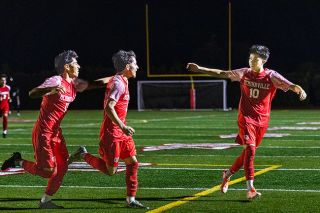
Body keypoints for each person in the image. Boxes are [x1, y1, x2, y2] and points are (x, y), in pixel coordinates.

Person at [187, 45, 307, 200]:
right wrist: (200, 69)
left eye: (255, 59)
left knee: (247, 153)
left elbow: (290, 85)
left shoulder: (271, 76)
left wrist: (300, 90)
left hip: (262, 121)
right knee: (250, 151)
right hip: (246, 119)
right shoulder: (244, 73)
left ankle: (227, 174)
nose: (251, 61)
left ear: (263, 60)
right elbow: (222, 73)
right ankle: (250, 189)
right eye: (250, 58)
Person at [1, 50, 111, 209]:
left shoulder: (73, 83)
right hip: (43, 132)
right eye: (75, 63)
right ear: (67, 67)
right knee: (48, 172)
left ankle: (45, 201)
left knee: (63, 166)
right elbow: (32, 93)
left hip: (56, 133)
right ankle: (18, 161)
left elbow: (95, 84)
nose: (79, 65)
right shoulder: (55, 80)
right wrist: (50, 90)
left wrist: (116, 78)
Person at [69, 50, 148, 209]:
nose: (137, 67)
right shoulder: (119, 83)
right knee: (110, 171)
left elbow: (104, 80)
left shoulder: (120, 79)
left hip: (121, 133)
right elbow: (108, 107)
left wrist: (87, 84)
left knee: (133, 163)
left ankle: (130, 200)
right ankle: (83, 154)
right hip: (111, 134)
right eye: (135, 63)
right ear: (127, 66)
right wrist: (123, 126)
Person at [0, 74, 11, 138]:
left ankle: (4, 131)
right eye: (2, 80)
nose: (3, 81)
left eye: (4, 80)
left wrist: (9, 98)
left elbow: (8, 96)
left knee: (5, 116)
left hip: (5, 106)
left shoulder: (8, 87)